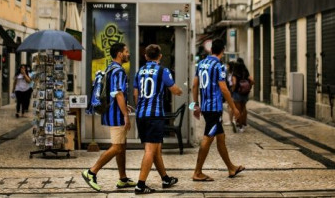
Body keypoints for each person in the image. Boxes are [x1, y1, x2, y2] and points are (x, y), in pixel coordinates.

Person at [82, 43, 137, 191]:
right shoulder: (119, 71)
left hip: (113, 112)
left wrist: (125, 106)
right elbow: (118, 93)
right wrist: (125, 114)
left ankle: (123, 178)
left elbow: (115, 94)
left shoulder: (110, 67)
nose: (128, 54)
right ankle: (91, 172)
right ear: (119, 54)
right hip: (117, 115)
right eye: (126, 51)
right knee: (117, 147)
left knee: (122, 146)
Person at [191, 38, 245, 182]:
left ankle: (231, 168)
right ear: (223, 50)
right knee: (208, 138)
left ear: (211, 49)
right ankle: (197, 172)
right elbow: (223, 88)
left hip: (206, 107)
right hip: (214, 108)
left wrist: (195, 105)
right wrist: (233, 108)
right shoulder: (219, 66)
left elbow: (194, 86)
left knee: (221, 138)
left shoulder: (201, 63)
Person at [132, 44, 183, 194]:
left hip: (141, 115)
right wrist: (180, 91)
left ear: (146, 56)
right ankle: (140, 185)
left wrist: (141, 107)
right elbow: (173, 89)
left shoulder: (139, 71)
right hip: (155, 115)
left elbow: (136, 95)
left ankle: (165, 179)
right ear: (160, 56)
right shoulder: (163, 71)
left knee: (156, 149)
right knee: (150, 150)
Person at [231, 58, 254, 132]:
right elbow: (252, 81)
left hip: (237, 92)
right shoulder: (246, 72)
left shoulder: (235, 73)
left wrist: (232, 90)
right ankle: (243, 124)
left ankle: (239, 125)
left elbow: (234, 83)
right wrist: (249, 87)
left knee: (238, 110)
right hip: (245, 93)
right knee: (243, 108)